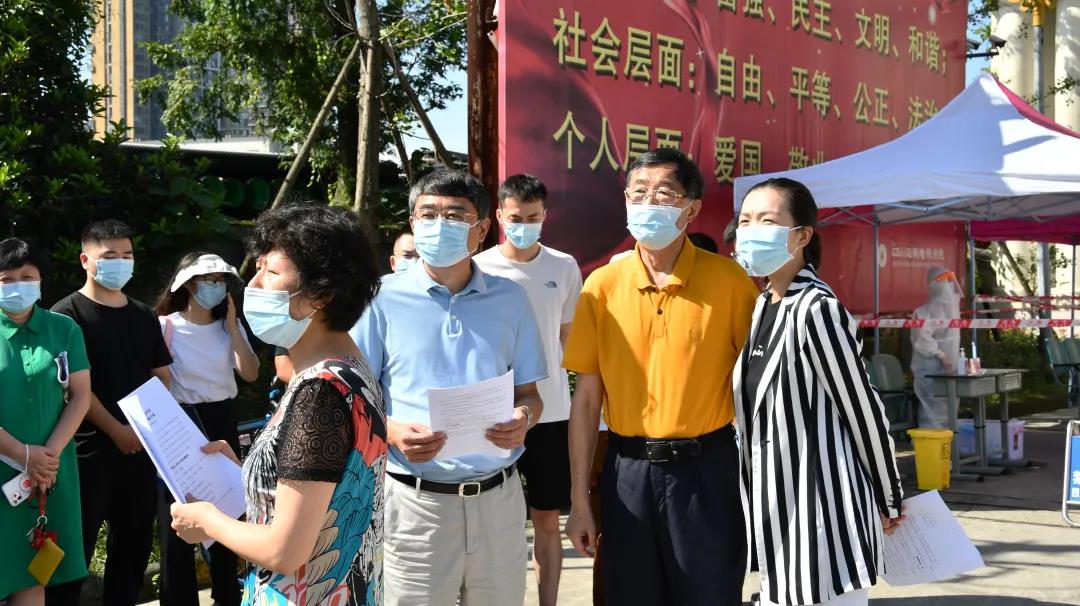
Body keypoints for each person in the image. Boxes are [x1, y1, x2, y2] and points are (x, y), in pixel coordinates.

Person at [563, 148, 758, 604]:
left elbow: (758, 387)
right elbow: (586, 400)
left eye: (664, 193)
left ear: (691, 209)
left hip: (707, 471)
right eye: (638, 192)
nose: (648, 203)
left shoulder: (730, 281)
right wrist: (580, 501)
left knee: (709, 595)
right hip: (627, 472)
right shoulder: (601, 287)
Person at [169, 204, 388, 605]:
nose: (252, 285)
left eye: (270, 272)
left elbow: (285, 551)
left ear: (320, 294)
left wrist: (208, 520)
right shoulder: (352, 368)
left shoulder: (319, 391)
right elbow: (321, 493)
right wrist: (249, 472)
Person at [351, 168, 547, 606]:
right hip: (416, 504)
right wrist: (392, 431)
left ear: (482, 229)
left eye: (456, 215)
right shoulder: (379, 299)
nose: (440, 224)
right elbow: (354, 397)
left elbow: (530, 395)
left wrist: (523, 419)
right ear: (412, 223)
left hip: (498, 500)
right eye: (428, 214)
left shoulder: (511, 299)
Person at [732, 177, 904, 606]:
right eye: (745, 221)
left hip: (823, 512)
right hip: (778, 509)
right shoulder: (764, 304)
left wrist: (889, 496)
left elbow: (862, 409)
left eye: (767, 221)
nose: (751, 231)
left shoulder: (816, 309)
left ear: (802, 236)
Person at [48, 220, 173, 606]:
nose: (120, 262)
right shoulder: (65, 315)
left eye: (127, 255)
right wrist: (117, 430)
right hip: (85, 454)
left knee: (133, 551)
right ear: (85, 260)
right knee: (74, 551)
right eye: (109, 256)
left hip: (140, 450)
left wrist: (140, 428)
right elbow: (72, 390)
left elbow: (161, 377)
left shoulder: (144, 315)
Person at [474, 174, 583, 606]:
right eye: (516, 218)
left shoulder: (564, 266)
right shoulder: (478, 267)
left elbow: (568, 337)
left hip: (550, 412)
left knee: (546, 520)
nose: (523, 226)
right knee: (487, 521)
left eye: (532, 218)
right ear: (499, 216)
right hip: (491, 412)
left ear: (545, 216)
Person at [151, 253, 260, 606]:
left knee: (227, 508)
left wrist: (232, 328)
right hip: (181, 423)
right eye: (207, 280)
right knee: (178, 516)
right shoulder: (165, 326)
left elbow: (250, 372)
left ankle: (228, 593)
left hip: (222, 419)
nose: (216, 286)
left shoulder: (229, 327)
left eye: (220, 280)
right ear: (188, 284)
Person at [0, 238, 92, 606]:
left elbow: (80, 396)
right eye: (7, 279)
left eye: (27, 277)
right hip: (11, 465)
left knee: (31, 573)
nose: (18, 285)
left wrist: (46, 458)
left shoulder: (63, 328)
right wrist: (24, 454)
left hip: (48, 475)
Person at [911, 266, 962, 428]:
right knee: (931, 410)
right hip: (930, 366)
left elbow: (952, 339)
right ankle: (930, 442)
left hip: (949, 367)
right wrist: (941, 355)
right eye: (944, 280)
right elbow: (921, 339)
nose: (948, 285)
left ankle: (948, 441)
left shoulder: (952, 308)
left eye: (949, 280)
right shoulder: (924, 312)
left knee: (949, 408)